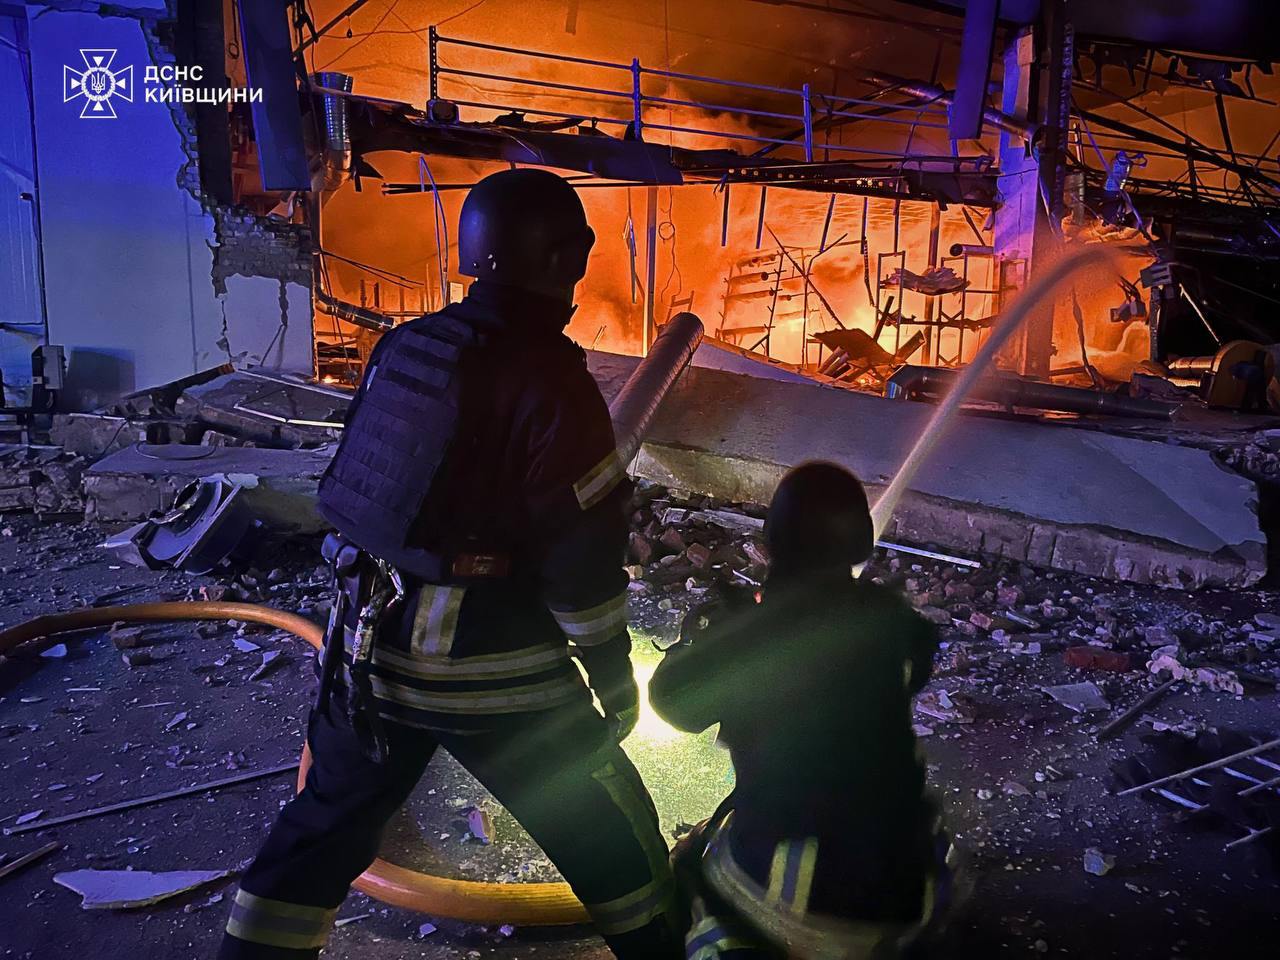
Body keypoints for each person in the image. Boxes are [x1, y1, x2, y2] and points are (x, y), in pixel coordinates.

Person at [219, 168, 680, 959]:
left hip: (365, 654)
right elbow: (580, 561)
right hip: (486, 668)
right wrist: (610, 671)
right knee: (611, 830)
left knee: (319, 832)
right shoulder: (554, 381)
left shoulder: (406, 347)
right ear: (561, 258)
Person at [649, 462, 948, 960]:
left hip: (806, 892)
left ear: (772, 542)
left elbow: (673, 705)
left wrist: (699, 638)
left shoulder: (745, 634)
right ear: (861, 545)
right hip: (907, 883)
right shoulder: (897, 621)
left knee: (687, 871)